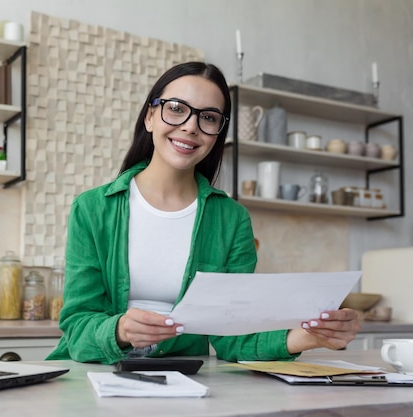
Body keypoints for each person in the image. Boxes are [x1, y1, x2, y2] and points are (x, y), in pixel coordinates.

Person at [46, 61, 360, 365]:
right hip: (97, 371)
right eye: (176, 109)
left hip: (185, 377)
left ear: (217, 133)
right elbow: (78, 326)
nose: (190, 126)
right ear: (150, 117)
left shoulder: (231, 219)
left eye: (208, 118)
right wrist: (121, 330)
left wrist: (309, 336)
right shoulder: (92, 208)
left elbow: (232, 335)